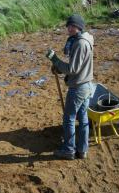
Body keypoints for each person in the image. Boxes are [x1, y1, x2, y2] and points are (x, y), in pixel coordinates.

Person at [46, 14, 94, 160]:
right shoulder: (86, 38)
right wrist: (60, 68)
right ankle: (82, 149)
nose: (68, 29)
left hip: (78, 87)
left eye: (71, 26)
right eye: (68, 26)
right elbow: (77, 66)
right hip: (86, 84)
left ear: (77, 27)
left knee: (69, 119)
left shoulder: (80, 43)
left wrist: (54, 58)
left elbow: (73, 69)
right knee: (83, 118)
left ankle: (68, 150)